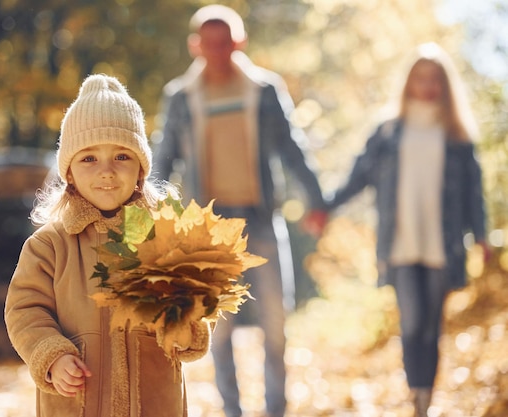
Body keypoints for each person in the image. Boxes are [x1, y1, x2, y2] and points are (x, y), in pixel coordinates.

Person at [152, 5, 326, 417]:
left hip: (260, 219)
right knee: (220, 329)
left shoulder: (263, 89)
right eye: (208, 43)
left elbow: (292, 148)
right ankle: (233, 410)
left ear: (239, 42)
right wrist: (151, 217)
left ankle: (275, 410)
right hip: (209, 229)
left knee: (276, 323)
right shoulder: (180, 97)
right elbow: (164, 160)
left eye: (225, 41)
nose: (217, 50)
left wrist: (317, 201)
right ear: (196, 45)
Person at [4, 74, 212, 417]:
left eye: (121, 157)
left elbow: (197, 299)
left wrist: (187, 329)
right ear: (68, 172)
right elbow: (25, 311)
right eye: (89, 159)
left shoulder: (163, 238)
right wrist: (52, 355)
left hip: (154, 401)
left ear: (141, 172)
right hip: (77, 402)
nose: (106, 172)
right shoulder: (49, 246)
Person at [324, 43, 488, 417]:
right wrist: (326, 207)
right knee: (412, 323)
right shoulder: (388, 131)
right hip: (399, 245)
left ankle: (425, 400)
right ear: (409, 82)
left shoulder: (457, 135)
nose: (427, 86)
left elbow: (474, 192)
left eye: (435, 80)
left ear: (444, 85)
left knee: (432, 327)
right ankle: (417, 397)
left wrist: (481, 235)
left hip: (442, 245)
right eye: (420, 78)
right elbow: (358, 176)